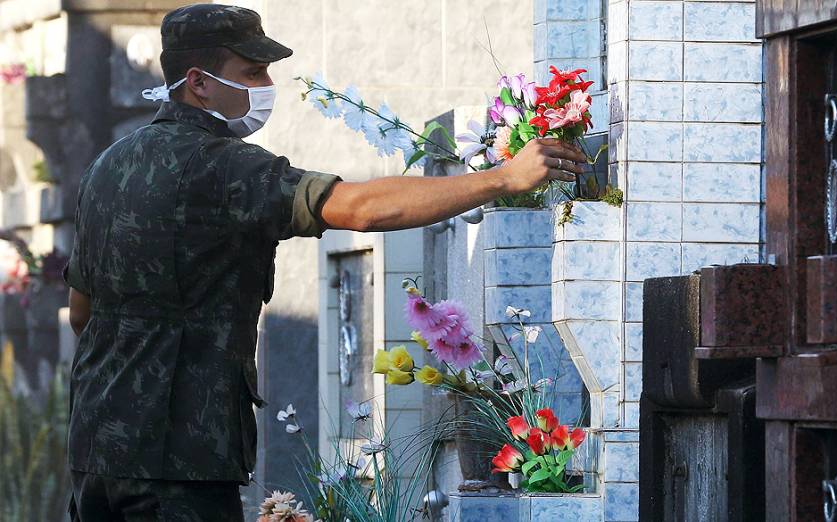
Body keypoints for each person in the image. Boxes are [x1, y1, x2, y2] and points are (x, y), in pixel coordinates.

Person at [63, 4, 585, 521]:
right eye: (252, 72)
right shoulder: (223, 167)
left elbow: (82, 312)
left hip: (96, 454)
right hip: (180, 458)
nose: (267, 84)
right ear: (198, 82)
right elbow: (357, 208)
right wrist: (502, 178)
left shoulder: (107, 166)